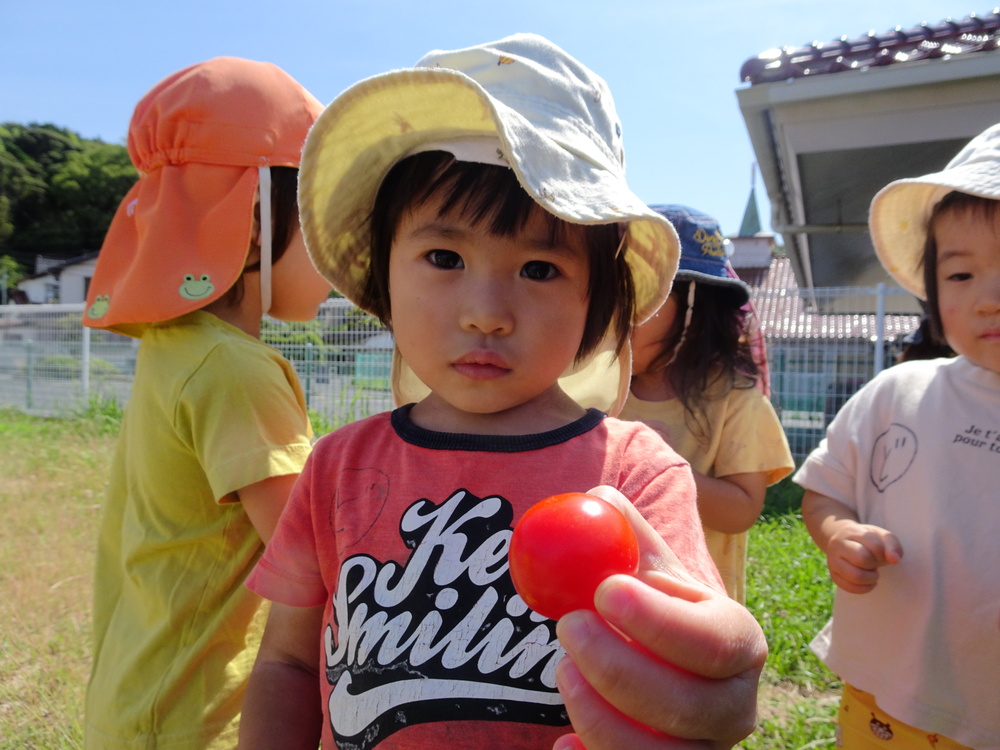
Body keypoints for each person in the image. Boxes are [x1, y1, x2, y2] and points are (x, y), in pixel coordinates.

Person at [239, 34, 767, 750]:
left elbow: (691, 638)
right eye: (444, 257)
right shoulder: (335, 468)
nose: (486, 310)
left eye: (541, 268)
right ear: (382, 275)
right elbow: (290, 659)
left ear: (597, 300)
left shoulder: (635, 474)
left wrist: (708, 665)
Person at [81, 58, 331, 749]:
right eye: (321, 216)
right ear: (255, 221)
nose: (339, 248)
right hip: (200, 722)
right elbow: (323, 557)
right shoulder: (235, 370)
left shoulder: (178, 345)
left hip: (140, 700)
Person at [796, 124, 1000, 749]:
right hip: (886, 698)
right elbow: (825, 492)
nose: (989, 299)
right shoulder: (898, 395)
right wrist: (838, 533)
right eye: (961, 276)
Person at [620, 204, 793, 603]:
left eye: (645, 297)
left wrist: (647, 468)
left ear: (697, 307)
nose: (619, 316)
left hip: (692, 605)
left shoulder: (734, 398)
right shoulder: (599, 390)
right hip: (604, 593)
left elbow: (741, 510)